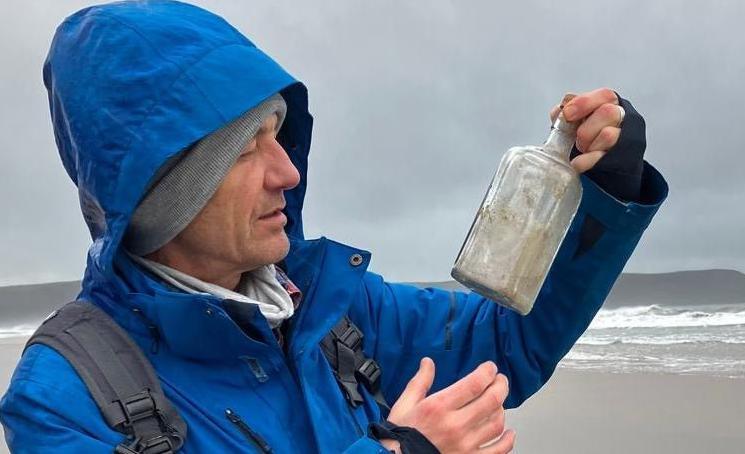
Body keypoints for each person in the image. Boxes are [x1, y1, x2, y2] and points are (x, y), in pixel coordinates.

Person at [0, 1, 668, 453]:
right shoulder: (67, 395)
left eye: (278, 133)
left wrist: (608, 192)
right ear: (159, 189)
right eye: (244, 150)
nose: (288, 173)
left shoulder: (332, 304)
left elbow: (509, 341)